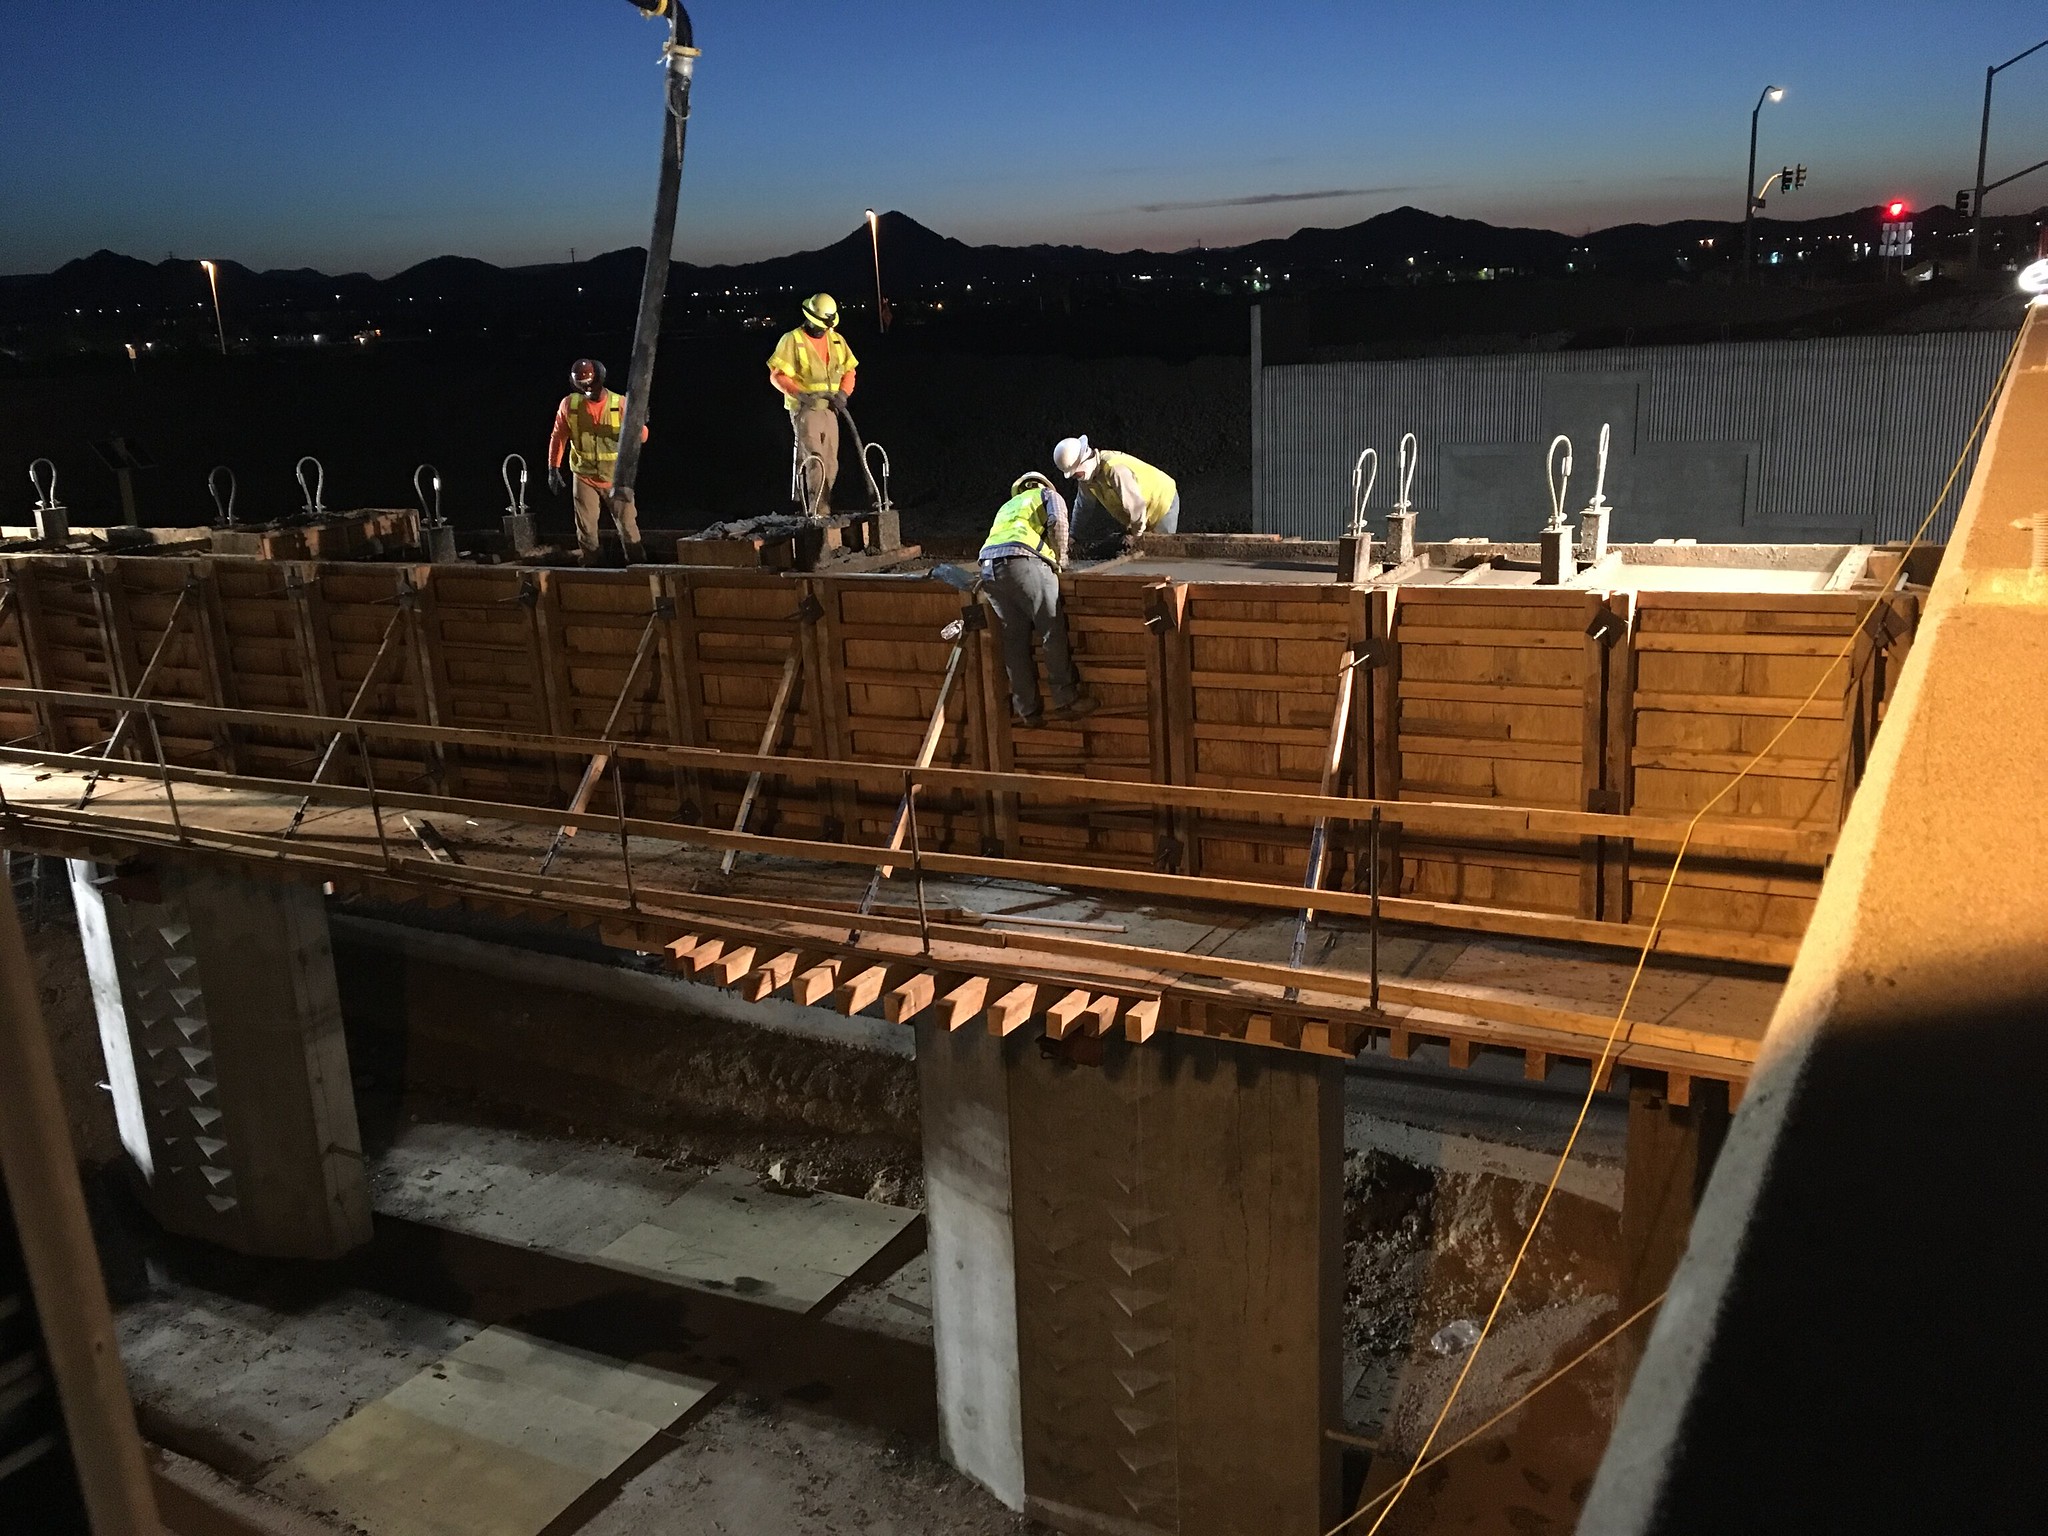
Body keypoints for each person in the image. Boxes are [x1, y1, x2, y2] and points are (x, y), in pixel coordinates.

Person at [979, 473, 1095, 726]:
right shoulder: (1047, 495)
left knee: (1014, 642)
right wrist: (1062, 559)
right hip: (1023, 561)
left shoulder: (1007, 507)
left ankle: (1027, 710)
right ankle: (1065, 699)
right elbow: (1059, 523)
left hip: (988, 567)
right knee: (1051, 630)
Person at [546, 358, 647, 564]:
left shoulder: (619, 404)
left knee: (628, 526)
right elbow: (559, 436)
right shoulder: (570, 405)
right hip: (584, 475)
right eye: (582, 385)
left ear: (599, 378)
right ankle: (592, 566)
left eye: (590, 384)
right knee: (586, 529)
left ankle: (639, 566)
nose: (588, 389)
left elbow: (642, 437)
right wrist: (553, 467)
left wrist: (637, 422)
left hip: (615, 477)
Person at [767, 293, 859, 515]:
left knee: (831, 463)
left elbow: (849, 371)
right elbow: (777, 376)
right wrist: (800, 395)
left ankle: (817, 505)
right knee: (815, 460)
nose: (822, 330)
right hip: (805, 410)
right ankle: (818, 512)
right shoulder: (792, 340)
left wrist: (844, 393)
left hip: (831, 409)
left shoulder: (836, 341)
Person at [1052, 435, 1179, 553]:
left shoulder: (1114, 469)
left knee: (1160, 552)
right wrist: (1073, 536)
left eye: (1075, 473)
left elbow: (1136, 506)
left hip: (1161, 501)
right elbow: (1083, 507)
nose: (1075, 477)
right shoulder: (1087, 479)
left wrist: (1135, 535)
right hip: (1140, 512)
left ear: (1083, 462)